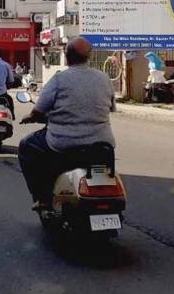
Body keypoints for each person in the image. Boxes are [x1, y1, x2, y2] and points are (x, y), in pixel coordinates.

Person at [18, 37, 116, 210]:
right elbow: (111, 108)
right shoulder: (104, 78)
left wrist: (30, 117)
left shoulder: (59, 79)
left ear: (66, 56)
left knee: (26, 145)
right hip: (102, 145)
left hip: (64, 144)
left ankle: (43, 198)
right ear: (89, 57)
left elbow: (39, 110)